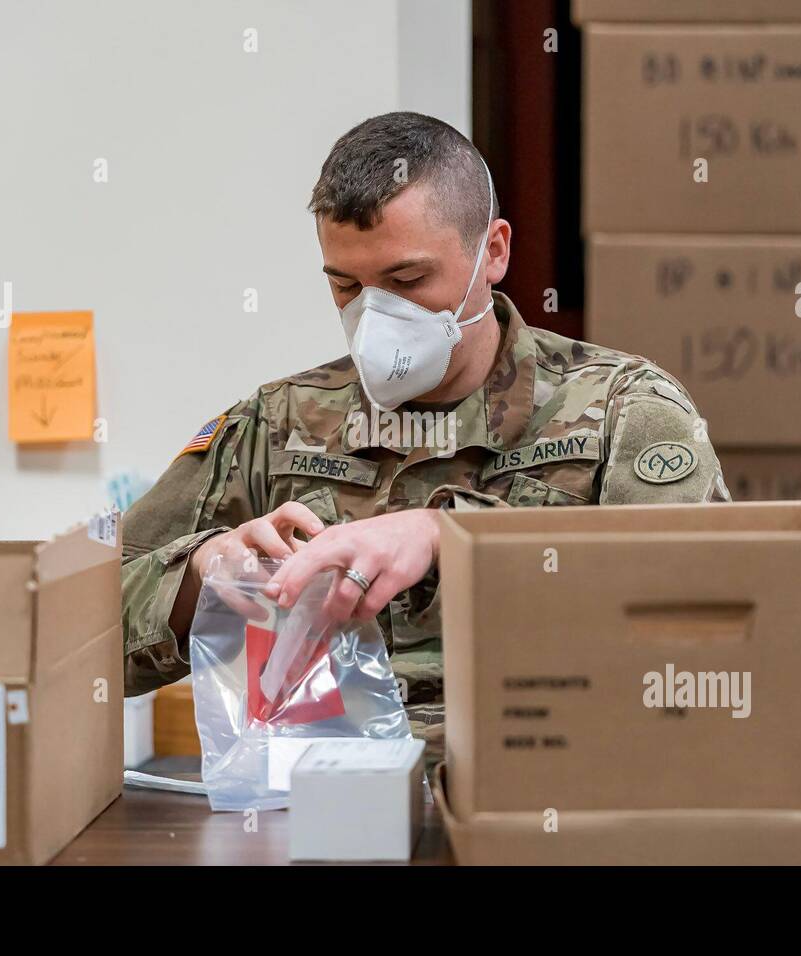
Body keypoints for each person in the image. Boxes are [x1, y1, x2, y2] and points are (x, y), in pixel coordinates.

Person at [121, 111, 729, 760]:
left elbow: (704, 614)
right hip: (322, 810)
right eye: (346, 286)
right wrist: (200, 573)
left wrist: (453, 535)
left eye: (408, 281)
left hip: (544, 787)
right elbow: (74, 633)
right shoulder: (277, 423)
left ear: (493, 252)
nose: (374, 313)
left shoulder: (624, 408)